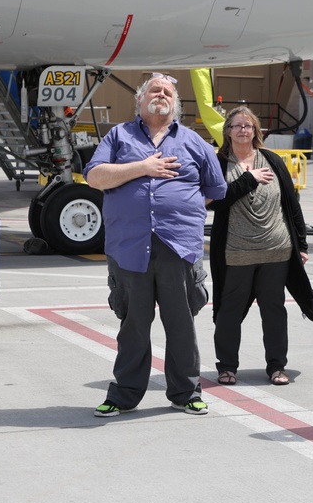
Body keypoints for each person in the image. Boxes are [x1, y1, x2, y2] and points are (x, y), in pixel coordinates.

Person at [86, 72, 227, 417]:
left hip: (177, 246)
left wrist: (182, 208)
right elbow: (94, 177)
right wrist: (143, 168)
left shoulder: (194, 141)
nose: (161, 94)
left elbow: (216, 189)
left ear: (175, 103)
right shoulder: (119, 136)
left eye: (167, 91)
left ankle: (187, 393)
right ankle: (123, 396)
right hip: (130, 246)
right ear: (140, 99)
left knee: (180, 323)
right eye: (154, 89)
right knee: (133, 324)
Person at [208, 107, 313, 387]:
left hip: (276, 249)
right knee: (229, 310)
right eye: (237, 126)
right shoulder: (218, 163)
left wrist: (301, 244)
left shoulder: (273, 161)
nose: (243, 130)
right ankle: (227, 367)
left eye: (248, 126)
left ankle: (276, 366)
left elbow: (292, 205)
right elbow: (216, 201)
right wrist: (248, 180)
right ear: (227, 131)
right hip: (236, 252)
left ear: (256, 131)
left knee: (273, 309)